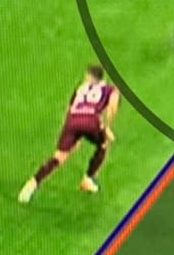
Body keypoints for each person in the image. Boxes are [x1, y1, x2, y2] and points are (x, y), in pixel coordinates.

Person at [18, 66, 119, 203]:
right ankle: (88, 179)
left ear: (90, 77)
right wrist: (106, 128)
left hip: (72, 122)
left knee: (59, 157)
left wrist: (72, 136)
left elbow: (70, 109)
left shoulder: (81, 88)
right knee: (104, 144)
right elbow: (112, 108)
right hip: (91, 121)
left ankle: (32, 184)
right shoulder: (110, 89)